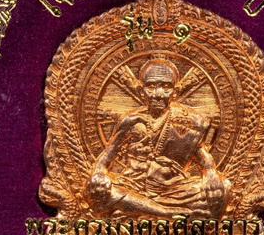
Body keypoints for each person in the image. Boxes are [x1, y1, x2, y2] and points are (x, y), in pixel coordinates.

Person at [87, 58, 231, 219]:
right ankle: (169, 213)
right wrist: (99, 173)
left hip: (174, 189)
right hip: (134, 186)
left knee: (224, 187)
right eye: (151, 86)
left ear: (175, 92)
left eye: (166, 87)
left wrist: (211, 174)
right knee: (97, 190)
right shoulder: (130, 121)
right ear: (141, 91)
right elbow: (108, 155)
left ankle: (142, 209)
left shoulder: (188, 121)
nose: (158, 94)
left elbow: (203, 158)